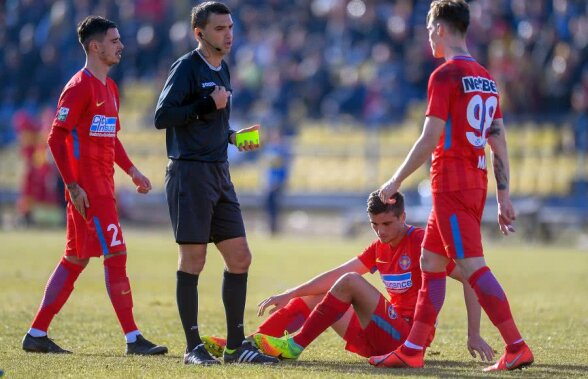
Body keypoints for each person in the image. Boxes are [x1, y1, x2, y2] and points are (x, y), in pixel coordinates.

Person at [372, 0, 533, 371]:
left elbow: (430, 138)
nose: (428, 36)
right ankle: (412, 350)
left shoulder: (444, 76)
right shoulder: (486, 78)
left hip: (452, 183)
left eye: (430, 29)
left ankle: (517, 346)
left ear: (441, 28)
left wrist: (395, 180)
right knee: (430, 262)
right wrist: (503, 196)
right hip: (474, 182)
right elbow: (499, 140)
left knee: (473, 268)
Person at [201, 191, 494, 363]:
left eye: (387, 223)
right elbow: (339, 273)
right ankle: (244, 344)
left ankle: (295, 346)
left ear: (403, 217)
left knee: (351, 283)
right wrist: (292, 293)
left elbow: (469, 278)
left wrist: (474, 333)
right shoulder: (380, 246)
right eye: (374, 224)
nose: (380, 231)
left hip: (406, 339)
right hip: (378, 335)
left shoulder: (421, 242)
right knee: (317, 295)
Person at [21, 16, 167, 356]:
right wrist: (72, 186)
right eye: (114, 40)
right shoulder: (79, 87)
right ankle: (133, 338)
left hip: (104, 187)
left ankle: (36, 333)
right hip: (89, 191)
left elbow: (109, 139)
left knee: (75, 259)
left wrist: (132, 171)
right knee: (116, 253)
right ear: (94, 46)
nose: (121, 46)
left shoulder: (110, 88)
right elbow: (55, 138)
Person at [154, 1, 278, 365]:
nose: (228, 34)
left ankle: (236, 347)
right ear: (199, 33)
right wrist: (207, 105)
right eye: (220, 28)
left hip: (219, 173)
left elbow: (212, 121)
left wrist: (234, 136)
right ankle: (193, 348)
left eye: (230, 27)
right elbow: (162, 116)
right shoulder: (186, 68)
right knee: (194, 258)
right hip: (189, 174)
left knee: (240, 257)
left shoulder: (223, 68)